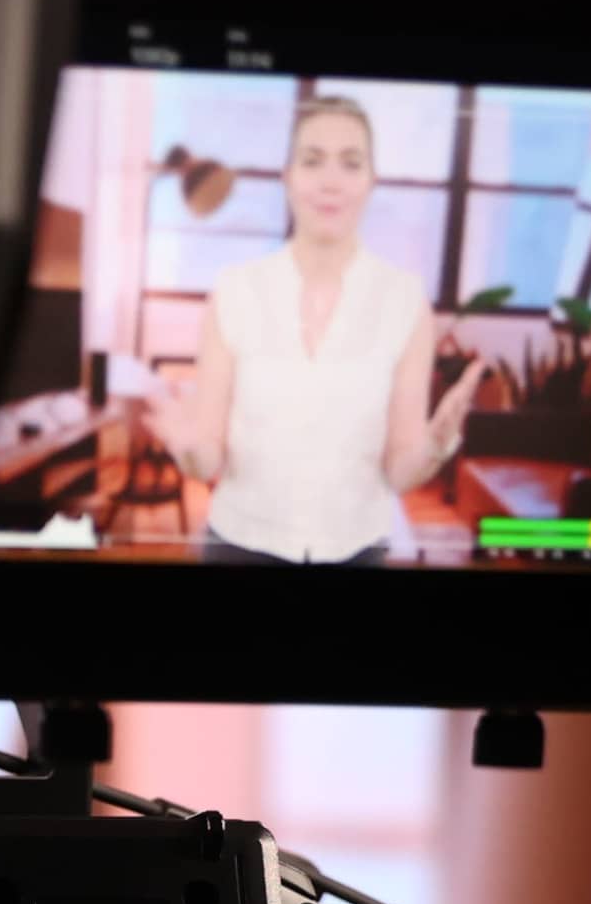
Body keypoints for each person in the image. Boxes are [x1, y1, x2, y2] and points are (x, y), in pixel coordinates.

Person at [139, 92, 485, 564]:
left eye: (350, 163)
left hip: (358, 549)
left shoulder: (406, 301)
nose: (330, 181)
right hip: (239, 545)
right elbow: (211, 457)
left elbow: (399, 472)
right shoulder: (234, 291)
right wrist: (188, 451)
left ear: (371, 181)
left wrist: (436, 445)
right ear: (288, 177)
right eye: (312, 160)